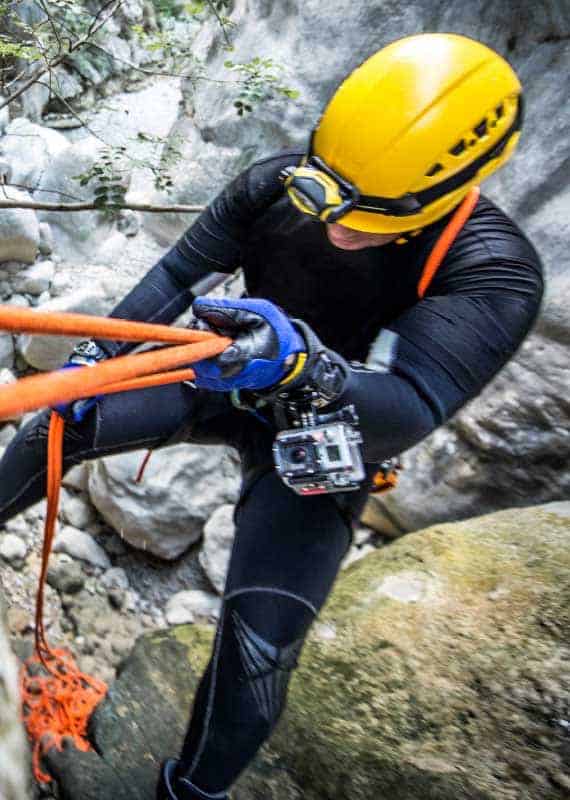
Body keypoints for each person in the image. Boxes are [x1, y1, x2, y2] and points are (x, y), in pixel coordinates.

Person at [0, 33, 543, 799]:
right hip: (222, 372)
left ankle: (187, 793)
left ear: (448, 191)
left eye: (369, 213)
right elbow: (180, 272)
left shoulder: (493, 270)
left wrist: (303, 367)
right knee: (58, 423)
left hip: (329, 436)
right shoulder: (279, 182)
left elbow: (413, 406)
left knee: (259, 647)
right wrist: (94, 361)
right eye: (331, 189)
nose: (335, 223)